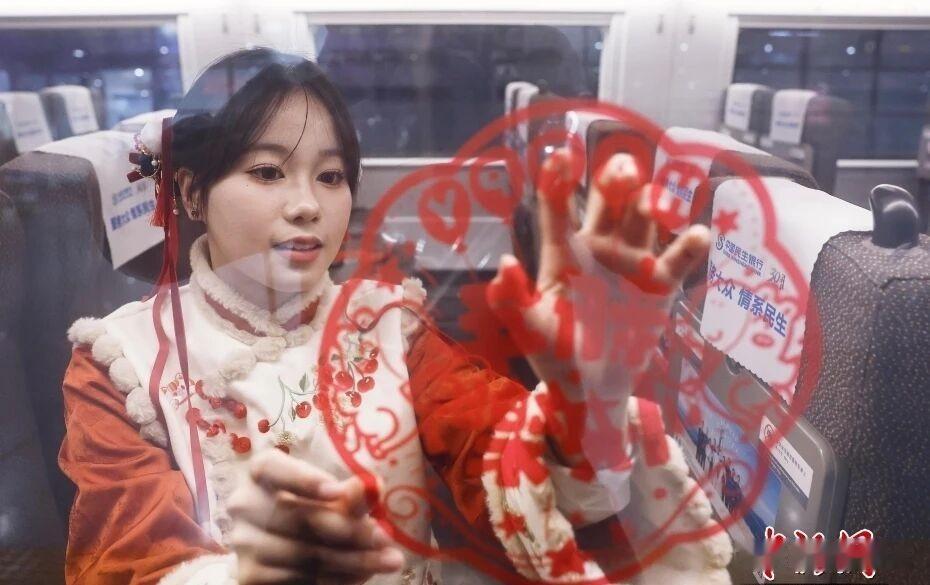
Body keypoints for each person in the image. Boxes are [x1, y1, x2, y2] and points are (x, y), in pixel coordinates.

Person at [58, 48, 732, 584]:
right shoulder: (121, 363)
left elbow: (489, 449)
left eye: (330, 177)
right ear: (192, 191)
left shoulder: (386, 322)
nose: (307, 205)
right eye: (267, 172)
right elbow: (123, 559)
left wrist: (582, 408)